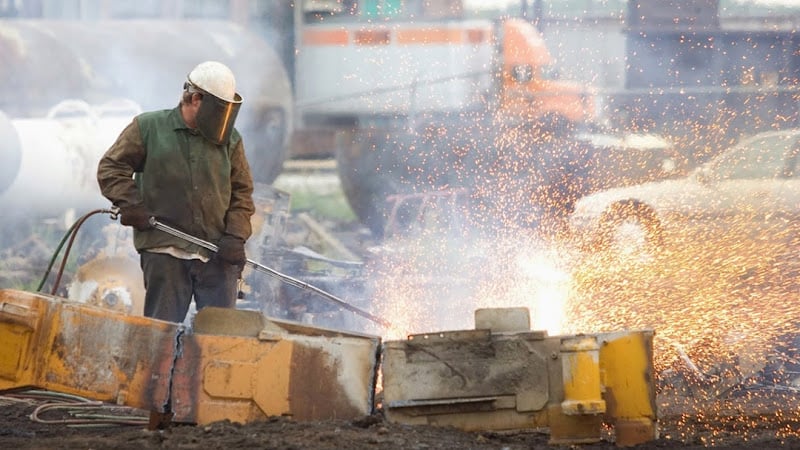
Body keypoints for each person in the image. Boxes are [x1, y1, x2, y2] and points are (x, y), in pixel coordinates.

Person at [97, 61, 256, 323]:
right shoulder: (149, 128)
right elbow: (111, 168)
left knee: (220, 340)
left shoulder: (231, 140)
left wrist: (236, 237)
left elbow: (242, 193)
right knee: (162, 336)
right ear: (195, 99)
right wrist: (131, 204)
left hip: (216, 255)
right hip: (164, 253)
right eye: (218, 110)